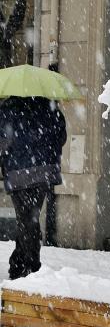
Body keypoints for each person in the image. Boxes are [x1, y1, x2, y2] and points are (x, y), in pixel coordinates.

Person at [0, 96, 67, 279]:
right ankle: (20, 262)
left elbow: (3, 142)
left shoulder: (8, 109)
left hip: (18, 173)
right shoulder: (49, 106)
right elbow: (61, 137)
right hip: (45, 171)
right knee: (30, 218)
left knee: (26, 219)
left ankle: (29, 265)